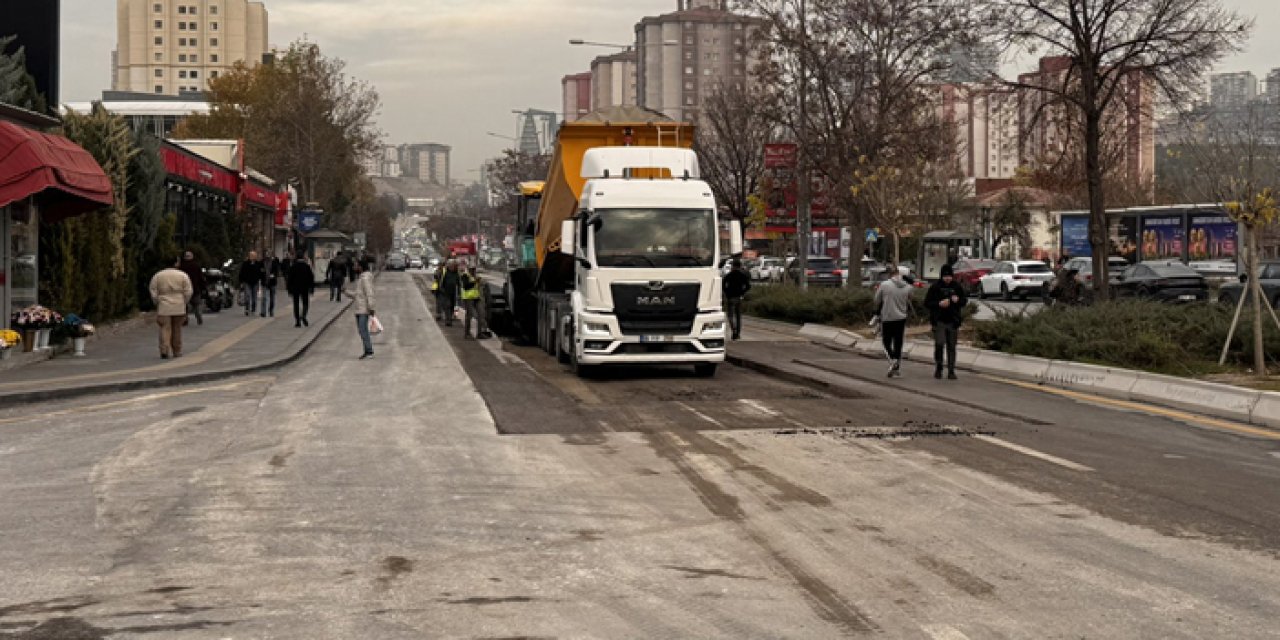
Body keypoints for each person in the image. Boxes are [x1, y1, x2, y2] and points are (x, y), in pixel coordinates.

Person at [924, 263, 968, 380]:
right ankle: (939, 366)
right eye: (945, 276)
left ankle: (951, 370)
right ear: (941, 276)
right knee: (939, 343)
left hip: (953, 321)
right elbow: (927, 303)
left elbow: (964, 301)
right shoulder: (935, 287)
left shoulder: (957, 286)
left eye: (949, 276)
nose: (947, 279)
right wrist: (938, 304)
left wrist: (958, 300)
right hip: (939, 320)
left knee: (951, 346)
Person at [873, 262, 913, 377]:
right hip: (901, 318)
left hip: (888, 317)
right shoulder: (908, 287)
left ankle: (893, 361)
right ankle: (896, 366)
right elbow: (910, 299)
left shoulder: (885, 285)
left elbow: (877, 299)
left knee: (886, 342)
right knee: (898, 343)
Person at [149, 257, 193, 359]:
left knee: (165, 328)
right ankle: (177, 351)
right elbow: (188, 291)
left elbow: (153, 291)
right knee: (177, 329)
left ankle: (164, 349)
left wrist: (157, 302)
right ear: (176, 263)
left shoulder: (158, 276)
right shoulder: (183, 275)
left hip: (164, 305)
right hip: (179, 305)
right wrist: (184, 302)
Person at [346, 258, 377, 359]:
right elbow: (358, 295)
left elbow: (370, 293)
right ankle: (367, 350)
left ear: (360, 266)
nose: (354, 266)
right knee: (362, 330)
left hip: (363, 309)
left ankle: (369, 351)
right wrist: (346, 292)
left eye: (356, 265)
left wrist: (371, 307)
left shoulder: (365, 279)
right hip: (359, 308)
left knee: (363, 330)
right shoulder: (361, 278)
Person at [722, 258, 751, 340]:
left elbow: (723, 284)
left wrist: (726, 293)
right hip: (739, 297)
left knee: (730, 315)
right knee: (738, 316)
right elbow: (748, 286)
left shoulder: (729, 275)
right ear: (740, 266)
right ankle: (737, 333)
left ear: (733, 266)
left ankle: (734, 330)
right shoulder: (743, 275)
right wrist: (742, 292)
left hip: (731, 297)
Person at [286, 252, 315, 328]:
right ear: (303, 257)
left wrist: (289, 289)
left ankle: (297, 321)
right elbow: (311, 278)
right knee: (305, 303)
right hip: (305, 288)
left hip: (295, 288)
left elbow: (289, 279)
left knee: (296, 304)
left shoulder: (293, 267)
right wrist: (311, 288)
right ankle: (303, 315)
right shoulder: (307, 266)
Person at [460, 265, 490, 339]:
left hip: (476, 297)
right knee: (469, 315)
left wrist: (481, 282)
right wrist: (475, 281)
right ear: (469, 269)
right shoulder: (465, 276)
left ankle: (479, 333)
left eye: (474, 269)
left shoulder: (475, 276)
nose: (473, 271)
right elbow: (466, 286)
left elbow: (478, 286)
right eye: (472, 269)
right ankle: (467, 334)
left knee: (481, 314)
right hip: (468, 298)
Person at [178, 250, 206, 326]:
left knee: (184, 306)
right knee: (197, 304)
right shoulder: (196, 266)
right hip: (195, 288)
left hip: (184, 289)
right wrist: (203, 288)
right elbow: (201, 278)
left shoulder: (181, 267)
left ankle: (185, 319)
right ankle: (198, 315)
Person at [239, 251, 264, 316]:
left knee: (254, 297)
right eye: (251, 255)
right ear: (249, 256)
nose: (252, 257)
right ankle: (247, 309)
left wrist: (261, 280)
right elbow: (241, 273)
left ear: (256, 256)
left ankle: (253, 309)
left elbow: (261, 273)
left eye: (254, 256)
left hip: (255, 282)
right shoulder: (245, 263)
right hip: (247, 282)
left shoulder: (258, 264)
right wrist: (241, 282)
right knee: (247, 296)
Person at [439, 260, 461, 327]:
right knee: (447, 306)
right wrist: (442, 290)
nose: (452, 267)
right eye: (450, 266)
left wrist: (459, 293)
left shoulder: (456, 273)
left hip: (453, 293)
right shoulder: (445, 273)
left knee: (452, 306)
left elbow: (459, 284)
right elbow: (441, 283)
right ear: (448, 266)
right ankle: (448, 320)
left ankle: (450, 319)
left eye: (453, 266)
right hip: (446, 292)